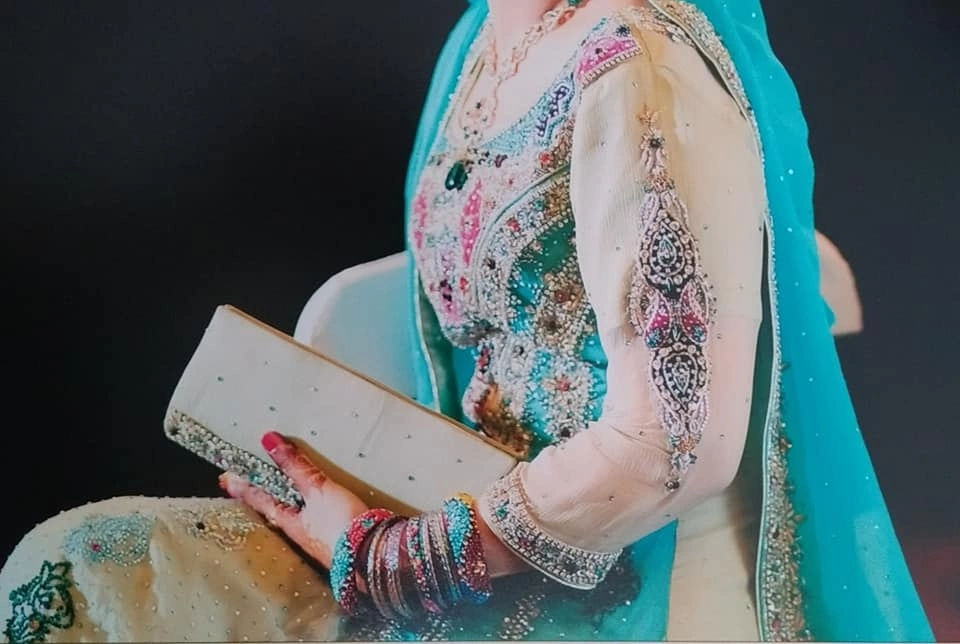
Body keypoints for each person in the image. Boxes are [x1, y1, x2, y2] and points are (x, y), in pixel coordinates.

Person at [0, 0, 934, 642]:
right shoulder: (491, 38)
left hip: (619, 574)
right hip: (468, 516)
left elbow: (676, 444)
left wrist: (395, 558)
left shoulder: (638, 66)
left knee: (88, 575)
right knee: (92, 568)